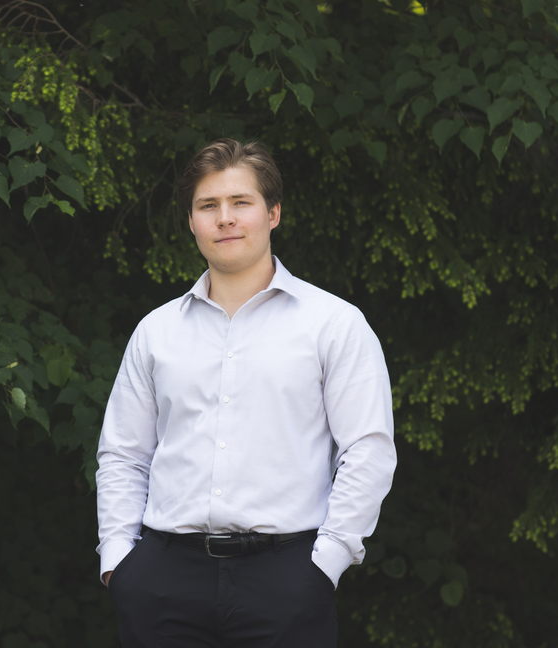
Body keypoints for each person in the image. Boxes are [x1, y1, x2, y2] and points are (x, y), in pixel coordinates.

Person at [96, 138, 396, 648]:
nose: (225, 218)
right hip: (161, 583)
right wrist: (118, 560)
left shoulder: (335, 325)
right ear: (191, 222)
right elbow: (123, 453)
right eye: (208, 206)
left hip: (288, 580)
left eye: (241, 202)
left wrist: (326, 564)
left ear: (273, 213)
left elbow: (368, 451)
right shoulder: (156, 331)